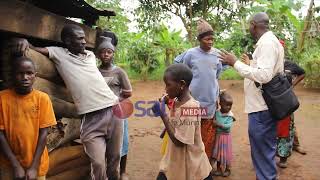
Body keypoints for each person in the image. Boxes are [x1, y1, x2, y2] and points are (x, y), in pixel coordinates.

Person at [12, 24, 122, 180]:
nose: (84, 42)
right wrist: (23, 40)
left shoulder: (90, 55)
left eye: (84, 38)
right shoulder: (59, 53)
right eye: (80, 38)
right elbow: (34, 48)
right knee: (98, 163)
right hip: (90, 117)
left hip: (113, 109)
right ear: (68, 41)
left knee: (114, 159)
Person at [219, 12, 284, 180]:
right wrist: (250, 64)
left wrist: (235, 63)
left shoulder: (268, 43)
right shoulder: (267, 42)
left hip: (262, 108)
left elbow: (264, 76)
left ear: (254, 24)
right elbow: (263, 71)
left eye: (249, 25)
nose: (249, 28)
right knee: (263, 154)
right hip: (262, 107)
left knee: (263, 155)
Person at [174, 19, 223, 163]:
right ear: (200, 39)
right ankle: (190, 163)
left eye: (212, 39)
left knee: (207, 137)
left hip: (210, 104)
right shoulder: (190, 54)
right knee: (190, 134)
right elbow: (183, 72)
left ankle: (204, 166)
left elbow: (216, 75)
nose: (210, 42)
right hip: (192, 103)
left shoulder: (217, 55)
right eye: (207, 39)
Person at [152, 64, 213, 180]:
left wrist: (163, 115)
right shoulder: (177, 100)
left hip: (191, 163)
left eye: (168, 85)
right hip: (175, 159)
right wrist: (166, 102)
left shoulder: (190, 108)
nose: (165, 89)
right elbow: (177, 120)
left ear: (182, 84)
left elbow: (180, 142)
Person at [0, 57, 56, 180]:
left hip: (36, 163)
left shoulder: (43, 99)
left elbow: (43, 134)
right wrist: (15, 165)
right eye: (20, 73)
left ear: (35, 76)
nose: (25, 77)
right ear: (12, 75)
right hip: (8, 163)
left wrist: (34, 167)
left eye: (29, 73)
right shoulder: (2, 98)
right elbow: (0, 134)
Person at [96, 37, 132, 180]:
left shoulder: (119, 72)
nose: (106, 55)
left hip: (117, 113)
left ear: (113, 54)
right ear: (98, 54)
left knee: (121, 143)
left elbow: (128, 92)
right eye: (103, 52)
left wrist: (116, 100)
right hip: (99, 113)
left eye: (109, 52)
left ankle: (121, 172)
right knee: (101, 143)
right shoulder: (94, 71)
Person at [211, 91, 235, 177]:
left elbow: (227, 127)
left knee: (226, 154)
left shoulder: (230, 116)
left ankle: (228, 169)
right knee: (218, 154)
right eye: (227, 105)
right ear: (220, 104)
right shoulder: (217, 113)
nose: (229, 107)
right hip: (218, 137)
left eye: (230, 105)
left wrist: (218, 124)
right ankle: (218, 169)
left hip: (225, 138)